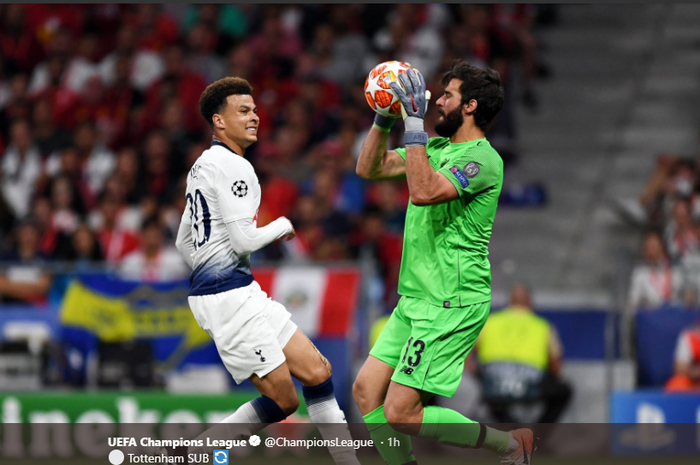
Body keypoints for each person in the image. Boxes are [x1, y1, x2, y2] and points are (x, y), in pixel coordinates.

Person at [353, 59, 533, 465]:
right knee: (366, 391)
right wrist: (384, 117)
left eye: (446, 94)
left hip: (451, 301)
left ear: (469, 106)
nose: (434, 101)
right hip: (415, 296)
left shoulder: (484, 160)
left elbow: (424, 191)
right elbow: (369, 167)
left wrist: (413, 125)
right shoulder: (434, 147)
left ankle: (510, 445)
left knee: (400, 412)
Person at [174, 77, 359, 465]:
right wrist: (282, 225)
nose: (254, 117)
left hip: (236, 291)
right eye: (243, 111)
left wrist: (211, 272)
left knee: (317, 371)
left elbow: (183, 242)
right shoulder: (235, 168)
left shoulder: (201, 166)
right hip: (229, 298)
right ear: (219, 121)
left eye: (254, 110)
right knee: (285, 399)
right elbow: (243, 241)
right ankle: (197, 453)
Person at [471, 283, 572, 423]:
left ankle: (513, 430)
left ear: (510, 302)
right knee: (564, 392)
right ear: (530, 303)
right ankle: (537, 436)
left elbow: (465, 353)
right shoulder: (543, 326)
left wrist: (477, 375)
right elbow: (556, 367)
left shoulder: (489, 322)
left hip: (493, 385)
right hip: (530, 387)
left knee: (492, 398)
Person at [664, 317, 700, 392]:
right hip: (694, 381)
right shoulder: (689, 336)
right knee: (677, 384)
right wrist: (694, 372)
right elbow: (680, 368)